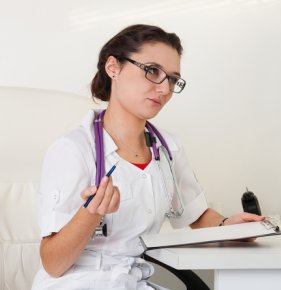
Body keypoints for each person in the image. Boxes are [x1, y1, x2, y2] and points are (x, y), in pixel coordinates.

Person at [32, 24, 263, 290]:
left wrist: (230, 227)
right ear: (113, 67)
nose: (165, 89)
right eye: (153, 71)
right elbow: (53, 263)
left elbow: (195, 216)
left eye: (173, 79)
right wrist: (90, 214)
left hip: (134, 281)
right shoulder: (73, 149)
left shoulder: (167, 148)